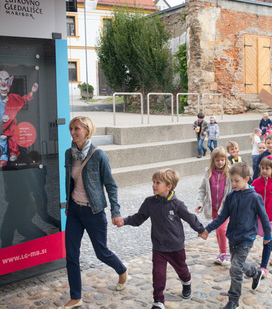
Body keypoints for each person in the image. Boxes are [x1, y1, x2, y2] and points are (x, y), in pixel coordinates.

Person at [62, 116, 127, 309]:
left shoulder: (98, 154)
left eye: (76, 129)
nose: (72, 133)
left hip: (94, 211)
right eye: (71, 129)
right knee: (71, 254)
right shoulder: (68, 154)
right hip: (74, 211)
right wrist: (67, 205)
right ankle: (76, 296)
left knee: (101, 252)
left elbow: (111, 185)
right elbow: (70, 181)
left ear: (87, 131)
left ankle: (122, 269)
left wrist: (116, 211)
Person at [120, 168, 207, 309]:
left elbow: (190, 218)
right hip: (159, 246)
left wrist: (201, 230)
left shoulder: (177, 204)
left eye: (158, 182)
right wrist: (125, 221)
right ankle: (158, 301)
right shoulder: (149, 202)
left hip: (175, 245)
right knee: (158, 274)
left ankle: (186, 282)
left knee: (182, 269)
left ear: (169, 186)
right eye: (153, 182)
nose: (154, 185)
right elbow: (139, 218)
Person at [200, 162, 272, 309]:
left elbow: (264, 218)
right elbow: (221, 217)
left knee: (235, 269)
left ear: (246, 179)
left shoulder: (254, 197)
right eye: (231, 180)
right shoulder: (231, 196)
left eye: (236, 181)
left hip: (246, 238)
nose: (233, 184)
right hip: (233, 237)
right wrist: (208, 229)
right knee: (237, 265)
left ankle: (233, 300)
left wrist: (267, 236)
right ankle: (255, 273)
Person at [195, 147, 232, 265]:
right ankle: (222, 253)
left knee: (221, 229)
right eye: (217, 160)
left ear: (226, 160)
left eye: (222, 160)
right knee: (218, 230)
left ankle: (225, 254)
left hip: (226, 208)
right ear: (213, 161)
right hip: (214, 208)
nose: (220, 162)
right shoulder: (209, 173)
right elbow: (202, 189)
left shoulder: (230, 172)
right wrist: (199, 203)